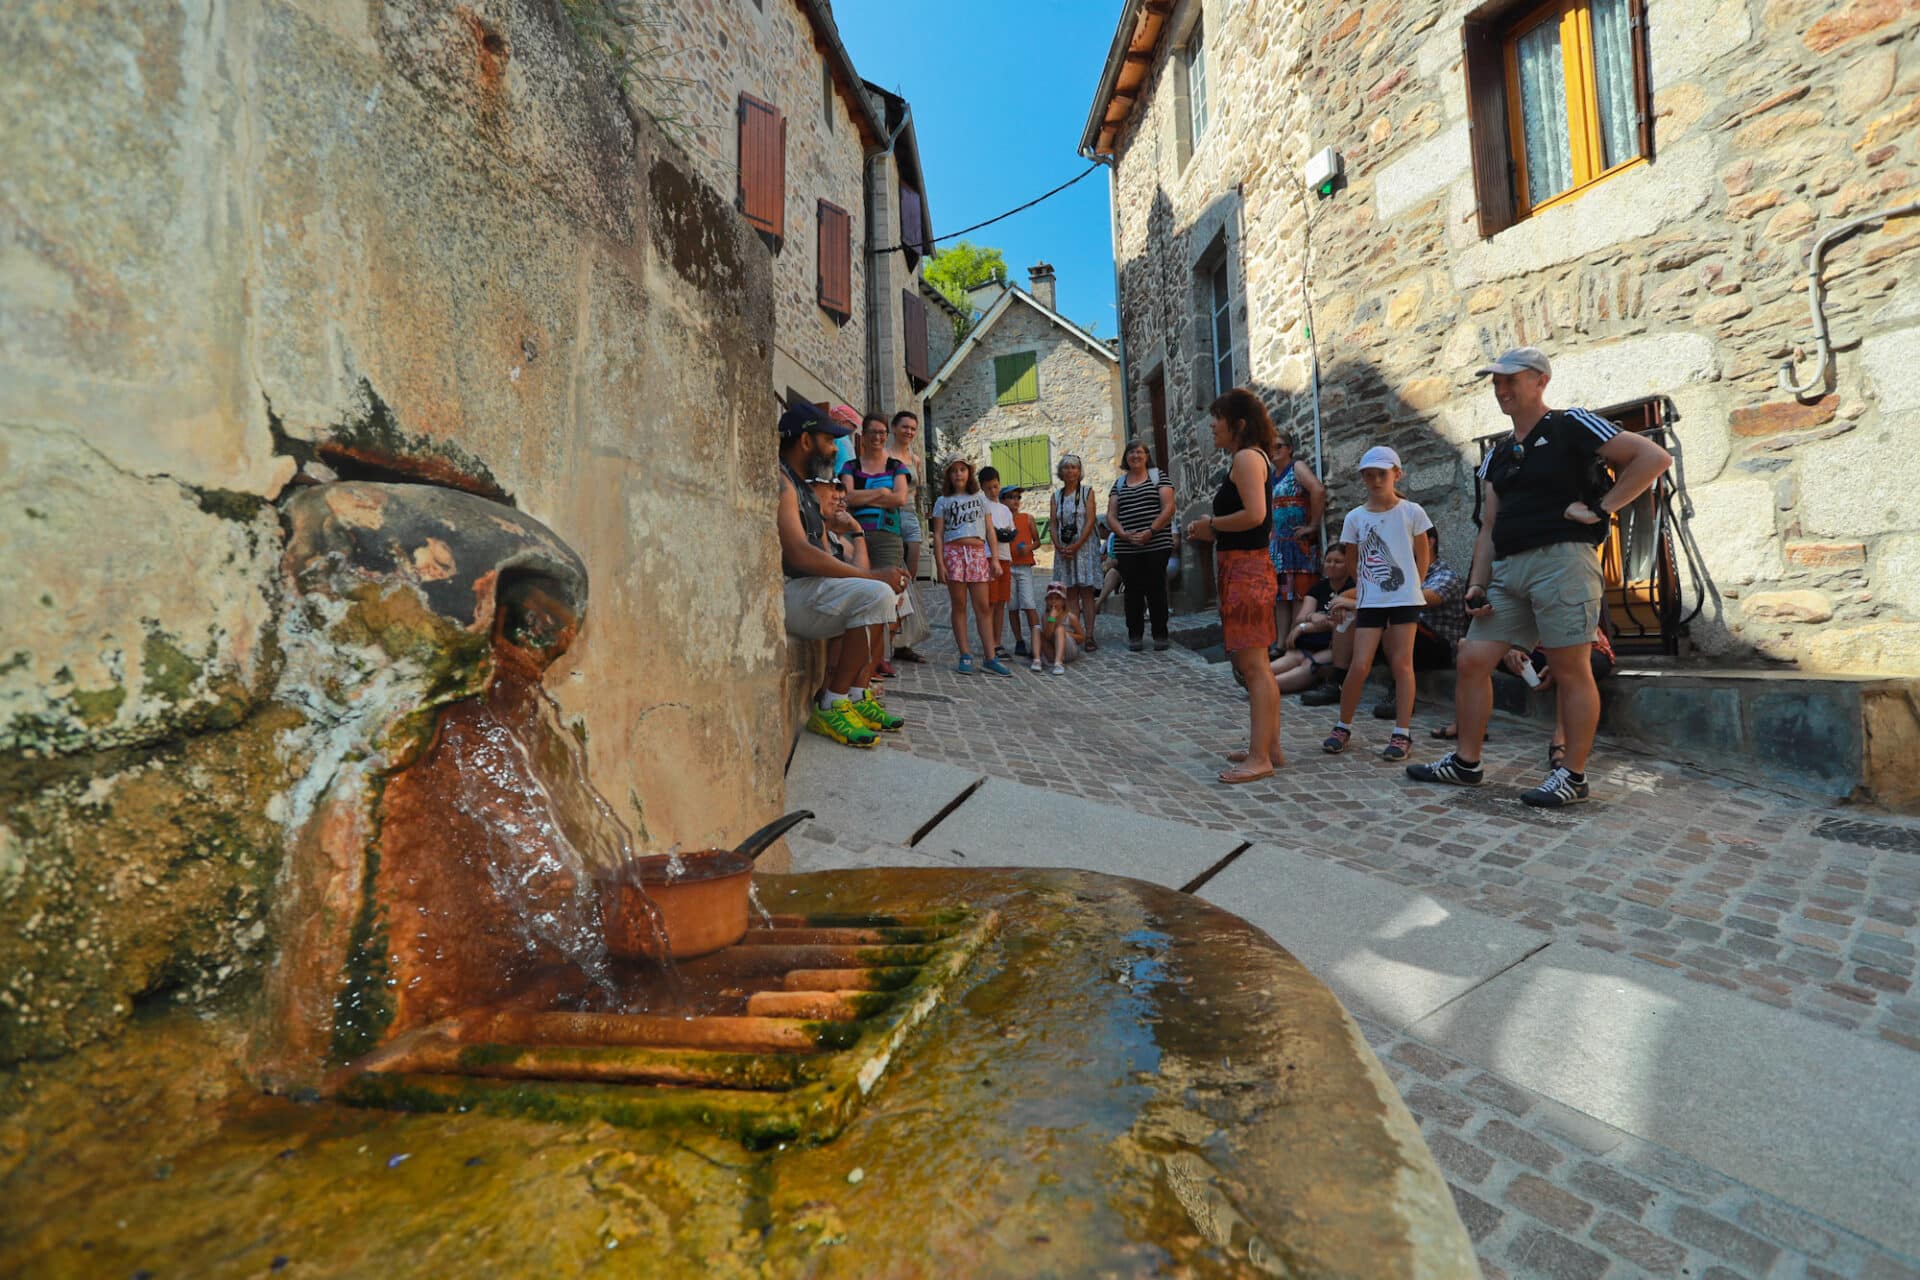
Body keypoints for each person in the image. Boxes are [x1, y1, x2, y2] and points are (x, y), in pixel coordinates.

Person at [1408, 346, 1672, 807]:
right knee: (1472, 658)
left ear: (1540, 381)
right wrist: (1476, 583)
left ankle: (1573, 775)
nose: (1501, 388)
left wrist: (1600, 509)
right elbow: (1490, 525)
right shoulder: (1499, 455)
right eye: (1496, 381)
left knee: (1571, 670)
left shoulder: (1572, 424)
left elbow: (1652, 458)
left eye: (1511, 379)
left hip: (1562, 563)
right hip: (1508, 570)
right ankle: (1466, 763)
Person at [775, 404, 910, 747]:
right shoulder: (781, 482)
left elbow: (823, 553)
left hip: (810, 591)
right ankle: (831, 704)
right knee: (876, 593)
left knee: (890, 594)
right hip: (789, 594)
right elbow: (799, 553)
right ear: (806, 440)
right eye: (828, 440)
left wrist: (874, 576)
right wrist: (873, 578)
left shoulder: (802, 488)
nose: (836, 448)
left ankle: (854, 695)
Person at [1184, 388, 1283, 784]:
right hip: (1243, 569)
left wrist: (1212, 525)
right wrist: (1212, 530)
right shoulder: (1252, 457)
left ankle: (1261, 758)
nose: (1212, 425)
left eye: (1218, 417)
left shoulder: (1245, 457)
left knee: (1255, 667)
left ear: (1238, 424)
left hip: (1246, 571)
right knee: (1254, 665)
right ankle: (1269, 746)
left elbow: (1255, 516)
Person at [1321, 447, 1432, 761]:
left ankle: (1402, 733)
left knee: (1402, 664)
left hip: (1404, 599)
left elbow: (1423, 554)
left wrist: (1415, 585)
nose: (1374, 480)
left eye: (1381, 474)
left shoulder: (1412, 511)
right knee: (1360, 663)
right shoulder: (1356, 517)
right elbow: (1353, 559)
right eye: (1368, 475)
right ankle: (1343, 725)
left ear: (1396, 474)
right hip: (1372, 601)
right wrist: (1367, 589)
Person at [840, 414, 910, 679]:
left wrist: (864, 498)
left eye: (882, 433)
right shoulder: (850, 466)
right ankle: (858, 657)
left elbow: (900, 498)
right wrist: (882, 494)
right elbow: (846, 498)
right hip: (855, 536)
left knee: (889, 597)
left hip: (887, 536)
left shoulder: (896, 467)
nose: (879, 437)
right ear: (864, 435)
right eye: (873, 432)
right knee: (857, 590)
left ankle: (876, 660)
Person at [1372, 529, 1467, 721]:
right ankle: (1338, 680)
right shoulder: (1405, 575)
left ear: (1429, 542)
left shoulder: (1446, 575)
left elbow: (1420, 599)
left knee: (1397, 620)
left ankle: (1400, 692)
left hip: (1441, 647)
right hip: (1413, 642)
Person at [931, 457, 1009, 676]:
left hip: (976, 553)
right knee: (959, 605)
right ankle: (965, 654)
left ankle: (990, 656)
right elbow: (937, 534)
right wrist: (940, 563)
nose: (958, 474)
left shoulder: (980, 498)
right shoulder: (942, 501)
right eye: (954, 470)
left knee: (983, 606)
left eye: (962, 470)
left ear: (969, 472)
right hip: (953, 553)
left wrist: (994, 558)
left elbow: (990, 530)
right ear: (948, 475)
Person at [1108, 440, 1177, 651]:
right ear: (1125, 458)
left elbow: (1169, 508)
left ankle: (1160, 634)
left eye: (1139, 452)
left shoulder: (1158, 477)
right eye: (1131, 452)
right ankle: (1135, 635)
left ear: (1147, 456)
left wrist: (1150, 531)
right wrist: (1124, 534)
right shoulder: (1119, 484)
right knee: (1133, 591)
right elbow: (1111, 515)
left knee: (1156, 588)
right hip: (1127, 546)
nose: (1135, 455)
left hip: (1156, 544)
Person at [1271, 542, 1356, 695]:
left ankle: (1265, 686)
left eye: (1338, 562)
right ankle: (1256, 679)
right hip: (1312, 641)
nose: (1332, 565)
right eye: (1329, 561)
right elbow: (1301, 617)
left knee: (1308, 664)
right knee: (1291, 658)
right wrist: (1312, 616)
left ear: (1348, 565)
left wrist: (1307, 626)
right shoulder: (1319, 588)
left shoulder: (1353, 589)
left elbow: (1339, 624)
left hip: (1334, 645)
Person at [1268, 429, 1327, 645]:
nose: (1273, 451)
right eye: (1270, 447)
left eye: (1279, 446)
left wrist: (1312, 525)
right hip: (1279, 547)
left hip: (1298, 544)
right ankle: (1281, 644)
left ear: (1289, 449)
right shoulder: (1271, 477)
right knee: (1281, 597)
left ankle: (1295, 643)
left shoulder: (1296, 467)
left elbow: (1318, 491)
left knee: (1299, 596)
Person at [888, 410, 932, 663]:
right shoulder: (885, 456)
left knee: (910, 578)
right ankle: (892, 640)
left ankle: (906, 641)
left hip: (910, 517)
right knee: (895, 576)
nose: (909, 431)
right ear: (894, 428)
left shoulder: (915, 459)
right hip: (891, 516)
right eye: (905, 426)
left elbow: (917, 493)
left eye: (913, 428)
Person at [1050, 454, 1102, 652]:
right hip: (1065, 550)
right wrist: (1058, 545)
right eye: (1066, 467)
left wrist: (1077, 544)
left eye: (1074, 467)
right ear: (1060, 472)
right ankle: (1076, 634)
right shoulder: (1056, 496)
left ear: (1080, 472)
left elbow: (1090, 521)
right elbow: (1053, 524)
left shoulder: (1087, 492)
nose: (1070, 471)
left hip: (1084, 549)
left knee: (1087, 593)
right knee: (1070, 593)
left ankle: (1089, 635)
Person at [980, 466, 1017, 659]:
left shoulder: (1005, 509)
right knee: (990, 602)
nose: (993, 491)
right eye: (988, 488)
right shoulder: (982, 505)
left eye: (995, 487)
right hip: (988, 557)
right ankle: (990, 642)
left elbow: (1012, 530)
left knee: (1002, 601)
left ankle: (998, 641)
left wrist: (1007, 534)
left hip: (1005, 558)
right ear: (982, 488)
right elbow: (987, 531)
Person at [1003, 486, 1043, 663]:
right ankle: (1019, 641)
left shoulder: (1028, 519)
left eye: (1018, 497)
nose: (1015, 500)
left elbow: (1037, 541)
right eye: (1011, 497)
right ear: (1003, 500)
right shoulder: (1000, 520)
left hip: (1024, 566)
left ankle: (1037, 640)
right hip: (1008, 567)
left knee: (1029, 603)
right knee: (1012, 606)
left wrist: (1028, 548)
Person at [1038, 581, 1085, 673]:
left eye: (1057, 599)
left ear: (1064, 601)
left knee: (1060, 629)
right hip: (1053, 648)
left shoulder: (1070, 617)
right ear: (1046, 601)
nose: (1053, 601)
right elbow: (1047, 636)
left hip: (1068, 650)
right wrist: (1052, 618)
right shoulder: (1045, 616)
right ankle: (1039, 659)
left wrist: (1066, 634)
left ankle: (1058, 664)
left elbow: (1081, 638)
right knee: (1036, 630)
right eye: (1050, 599)